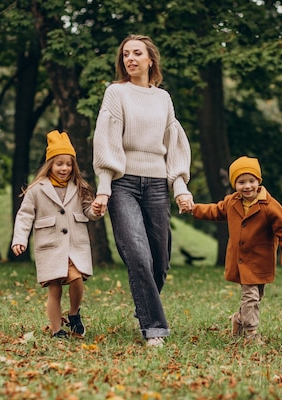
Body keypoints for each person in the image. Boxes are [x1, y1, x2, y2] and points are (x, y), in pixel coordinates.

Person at [91, 34, 194, 348]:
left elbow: (173, 144)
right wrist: (104, 188)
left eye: (137, 53)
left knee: (159, 262)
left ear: (151, 60)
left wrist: (180, 186)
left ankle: (145, 307)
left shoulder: (163, 99)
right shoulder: (116, 93)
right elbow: (106, 139)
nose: (130, 59)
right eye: (125, 55)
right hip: (124, 184)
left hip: (156, 186)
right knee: (137, 255)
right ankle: (154, 329)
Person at [190, 156, 282, 343]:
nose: (247, 186)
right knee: (250, 297)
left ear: (259, 182)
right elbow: (215, 211)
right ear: (234, 185)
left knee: (257, 296)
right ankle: (251, 333)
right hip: (240, 260)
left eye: (251, 181)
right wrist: (194, 209)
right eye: (241, 182)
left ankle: (238, 319)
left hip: (260, 259)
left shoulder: (270, 206)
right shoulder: (232, 202)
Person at [12, 130, 102, 338]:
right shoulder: (37, 189)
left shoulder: (79, 187)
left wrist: (96, 211)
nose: (64, 168)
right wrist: (20, 239)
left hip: (74, 245)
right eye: (59, 163)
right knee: (55, 290)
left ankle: (73, 314)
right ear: (50, 164)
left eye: (69, 164)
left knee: (77, 280)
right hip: (50, 246)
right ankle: (56, 331)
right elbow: (25, 216)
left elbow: (88, 211)